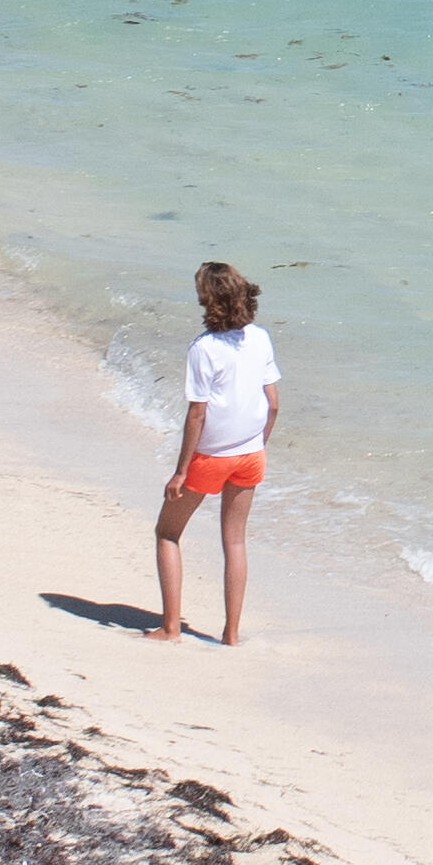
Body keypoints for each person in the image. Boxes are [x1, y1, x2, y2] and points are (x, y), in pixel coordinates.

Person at [155, 259, 279, 645]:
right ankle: (232, 634)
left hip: (211, 456)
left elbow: (197, 413)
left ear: (208, 301)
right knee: (235, 541)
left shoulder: (203, 348)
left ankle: (171, 628)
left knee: (168, 533)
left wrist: (181, 471)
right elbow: (273, 403)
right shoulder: (259, 338)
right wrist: (259, 443)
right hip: (251, 454)